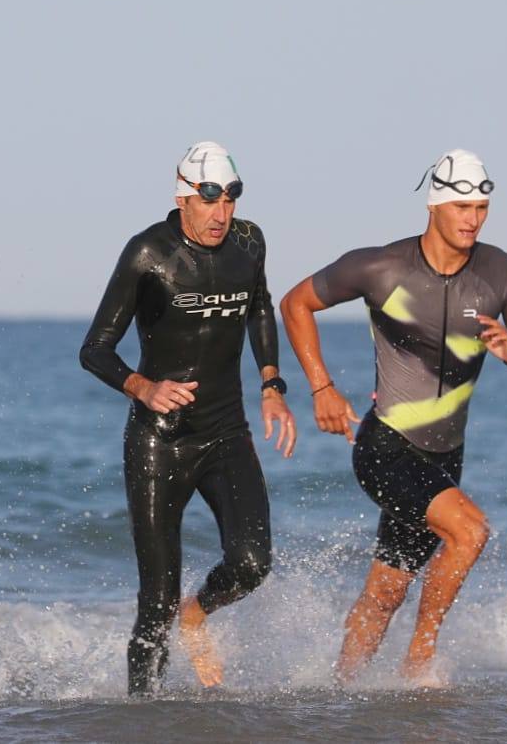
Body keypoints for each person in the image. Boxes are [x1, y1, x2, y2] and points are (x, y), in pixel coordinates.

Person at [279, 149, 507, 683]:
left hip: (444, 458)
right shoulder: (380, 267)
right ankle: (419, 666)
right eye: (462, 206)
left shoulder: (502, 274)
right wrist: (321, 387)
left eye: (481, 207)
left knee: (386, 593)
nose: (473, 218)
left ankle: (341, 692)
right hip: (385, 446)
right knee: (470, 532)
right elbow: (296, 304)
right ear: (435, 204)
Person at [80, 141, 295, 695]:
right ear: (183, 196)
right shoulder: (147, 253)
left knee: (251, 563)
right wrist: (143, 387)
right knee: (154, 598)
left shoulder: (250, 242)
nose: (222, 213)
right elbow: (95, 349)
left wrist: (272, 383)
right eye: (210, 199)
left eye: (231, 198)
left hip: (226, 431)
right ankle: (143, 714)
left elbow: (260, 306)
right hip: (160, 441)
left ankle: (196, 613)